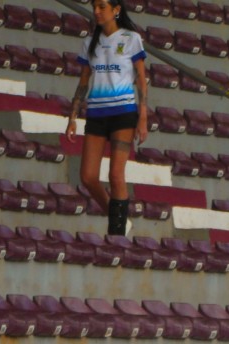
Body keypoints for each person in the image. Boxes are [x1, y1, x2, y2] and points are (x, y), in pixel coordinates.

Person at [65, 0, 148, 236]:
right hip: (96, 113)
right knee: (88, 176)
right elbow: (83, 82)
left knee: (115, 175)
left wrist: (143, 117)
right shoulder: (89, 42)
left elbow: (141, 80)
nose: (97, 12)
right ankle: (117, 219)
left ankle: (116, 236)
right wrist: (73, 115)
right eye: (95, 7)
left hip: (123, 112)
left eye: (102, 6)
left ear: (116, 9)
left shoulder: (131, 39)